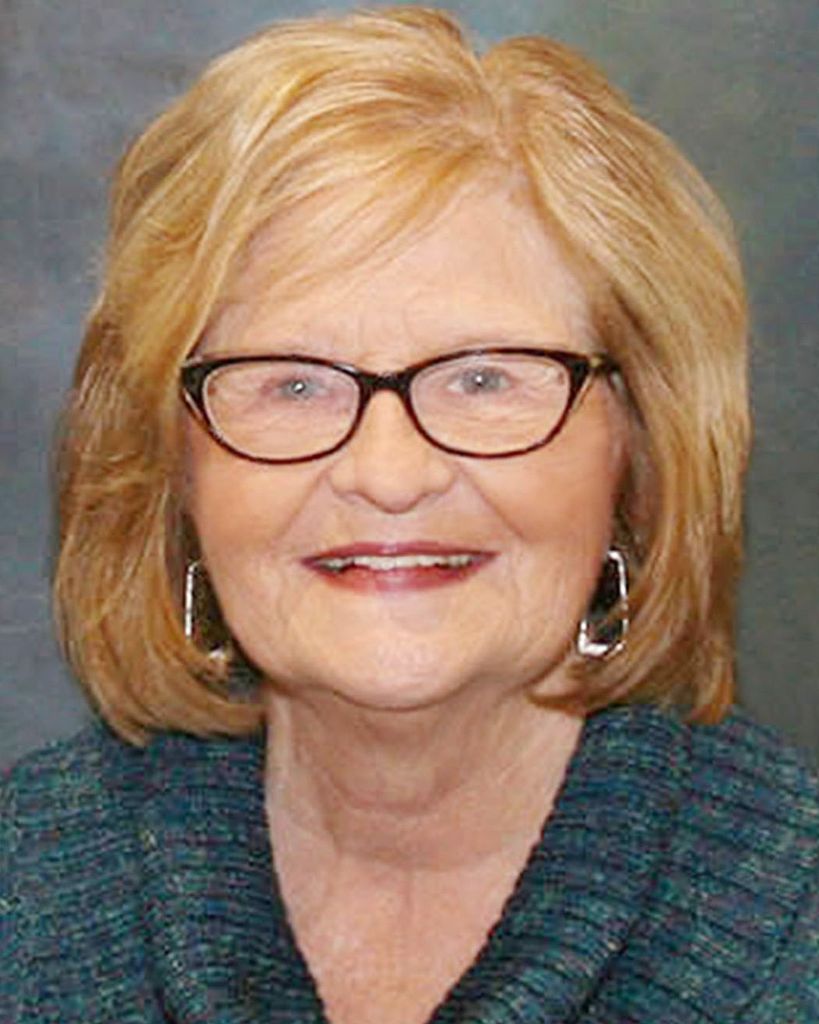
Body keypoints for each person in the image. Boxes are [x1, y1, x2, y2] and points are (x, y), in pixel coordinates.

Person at [2, 6, 817, 1023]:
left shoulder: (793, 931)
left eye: (484, 378)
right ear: (172, 464)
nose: (388, 475)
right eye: (292, 383)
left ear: (638, 448)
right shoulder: (24, 899)